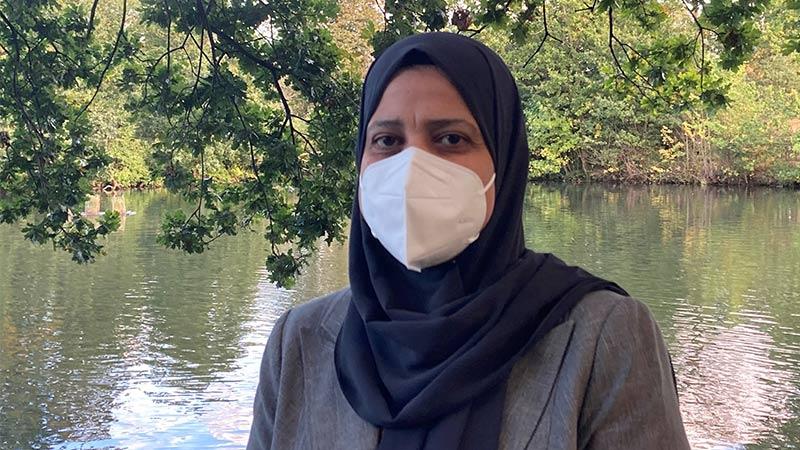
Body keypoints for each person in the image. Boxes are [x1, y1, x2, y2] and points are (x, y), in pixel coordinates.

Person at [247, 32, 689, 450]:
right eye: (387, 140)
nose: (412, 168)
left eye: (450, 139)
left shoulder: (602, 337)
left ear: (504, 158)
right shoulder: (298, 342)